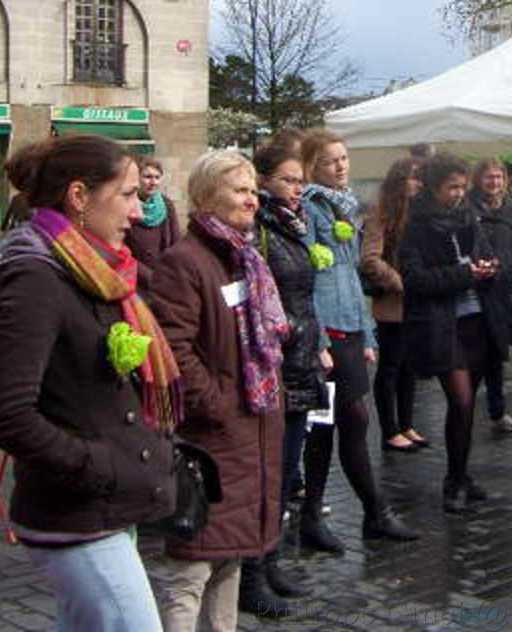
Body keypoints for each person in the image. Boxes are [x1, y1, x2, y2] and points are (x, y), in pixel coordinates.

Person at [0, 136, 178, 630]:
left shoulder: (101, 272)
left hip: (108, 507)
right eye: (128, 194)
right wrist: (99, 465)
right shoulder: (36, 276)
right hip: (76, 513)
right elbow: (7, 413)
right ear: (79, 196)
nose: (138, 212)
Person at [144, 150, 285, 630]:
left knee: (231, 558)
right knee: (190, 569)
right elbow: (172, 348)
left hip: (252, 430)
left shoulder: (243, 255)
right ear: (205, 197)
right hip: (214, 437)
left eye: (252, 190)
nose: (251, 200)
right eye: (239, 190)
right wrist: (218, 404)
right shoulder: (185, 261)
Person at [299, 129, 418, 552]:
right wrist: (317, 342)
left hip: (349, 324)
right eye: (331, 160)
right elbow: (307, 279)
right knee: (341, 420)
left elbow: (350, 273)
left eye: (344, 158)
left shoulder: (344, 207)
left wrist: (366, 332)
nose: (341, 166)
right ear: (312, 165)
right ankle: (367, 512)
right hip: (327, 329)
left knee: (340, 422)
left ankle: (345, 513)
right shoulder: (310, 209)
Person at [238, 143, 328, 618]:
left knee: (285, 470)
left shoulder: (294, 224)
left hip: (300, 358)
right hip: (276, 361)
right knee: (268, 472)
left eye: (300, 180)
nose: (298, 188)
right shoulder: (261, 232)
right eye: (289, 179)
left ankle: (270, 558)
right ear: (264, 180)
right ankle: (251, 571)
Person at [399, 154, 501, 512]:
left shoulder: (468, 215)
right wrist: (466, 275)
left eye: (462, 187)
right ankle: (452, 482)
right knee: (459, 401)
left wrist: (489, 268)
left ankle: (461, 473)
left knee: (468, 405)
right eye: (451, 188)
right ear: (433, 188)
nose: (459, 194)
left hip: (476, 319)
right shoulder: (416, 223)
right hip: (442, 323)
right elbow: (416, 280)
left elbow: (486, 253)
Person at [359, 158, 429, 452]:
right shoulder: (382, 214)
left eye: (420, 178)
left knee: (409, 367)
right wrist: (398, 281)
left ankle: (406, 423)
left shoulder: (420, 213)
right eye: (412, 178)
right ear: (399, 181)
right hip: (393, 303)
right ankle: (390, 429)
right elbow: (369, 258)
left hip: (416, 303)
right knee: (390, 366)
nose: (417, 184)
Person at [469, 157, 512, 434]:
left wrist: (507, 268)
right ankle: (463, 409)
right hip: (472, 292)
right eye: (489, 177)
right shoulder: (466, 208)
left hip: (501, 291)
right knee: (471, 356)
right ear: (478, 179)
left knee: (495, 355)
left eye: (499, 177)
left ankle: (498, 410)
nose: (495, 182)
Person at [123, 157, 181, 301]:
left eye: (157, 177)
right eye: (148, 177)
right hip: (136, 280)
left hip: (165, 279)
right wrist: (148, 276)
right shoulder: (127, 205)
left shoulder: (167, 205)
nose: (153, 182)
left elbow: (176, 242)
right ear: (138, 179)